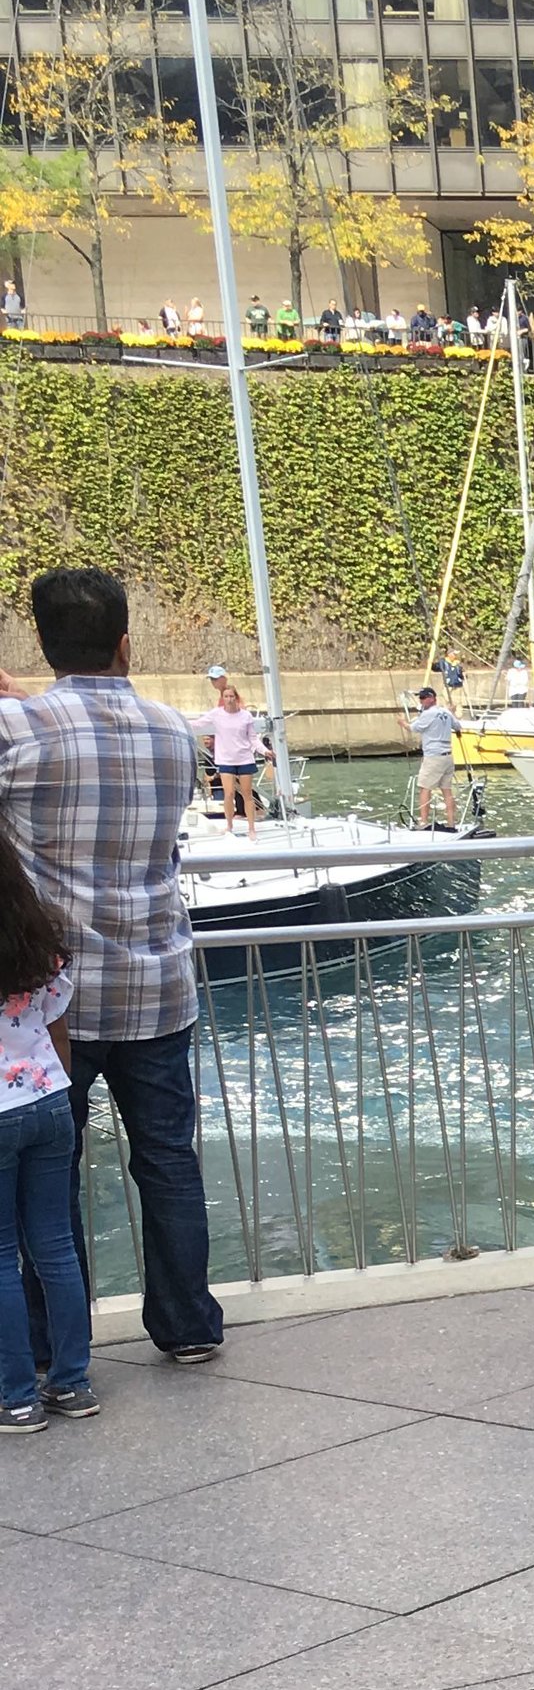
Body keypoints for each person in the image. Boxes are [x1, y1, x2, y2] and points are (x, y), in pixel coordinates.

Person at [0, 566, 222, 1364]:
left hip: (53, 1005)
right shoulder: (175, 731)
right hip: (160, 984)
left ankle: (60, 1353)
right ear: (127, 643)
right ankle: (189, 1325)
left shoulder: (19, 731)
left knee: (50, 1182)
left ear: (42, 640)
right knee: (167, 1160)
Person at [0, 808, 93, 1428]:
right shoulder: (36, 935)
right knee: (55, 1246)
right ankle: (73, 1382)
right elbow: (56, 1024)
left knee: (2, 1255)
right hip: (47, 1098)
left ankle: (16, 1396)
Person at [198, 670, 265, 835]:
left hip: (243, 756)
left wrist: (264, 751)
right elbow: (202, 722)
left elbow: (250, 735)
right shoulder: (218, 708)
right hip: (226, 757)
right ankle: (230, 824)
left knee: (246, 792)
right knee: (229, 792)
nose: (213, 683)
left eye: (215, 679)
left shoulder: (242, 711)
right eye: (211, 680)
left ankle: (251, 826)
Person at [410, 685, 460, 828]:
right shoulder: (446, 712)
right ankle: (451, 823)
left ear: (432, 698)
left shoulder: (427, 714)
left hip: (434, 757)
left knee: (425, 788)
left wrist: (402, 723)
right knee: (447, 791)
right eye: (421, 698)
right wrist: (452, 713)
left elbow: (413, 728)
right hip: (447, 758)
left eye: (424, 698)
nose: (422, 701)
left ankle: (424, 822)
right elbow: (457, 726)